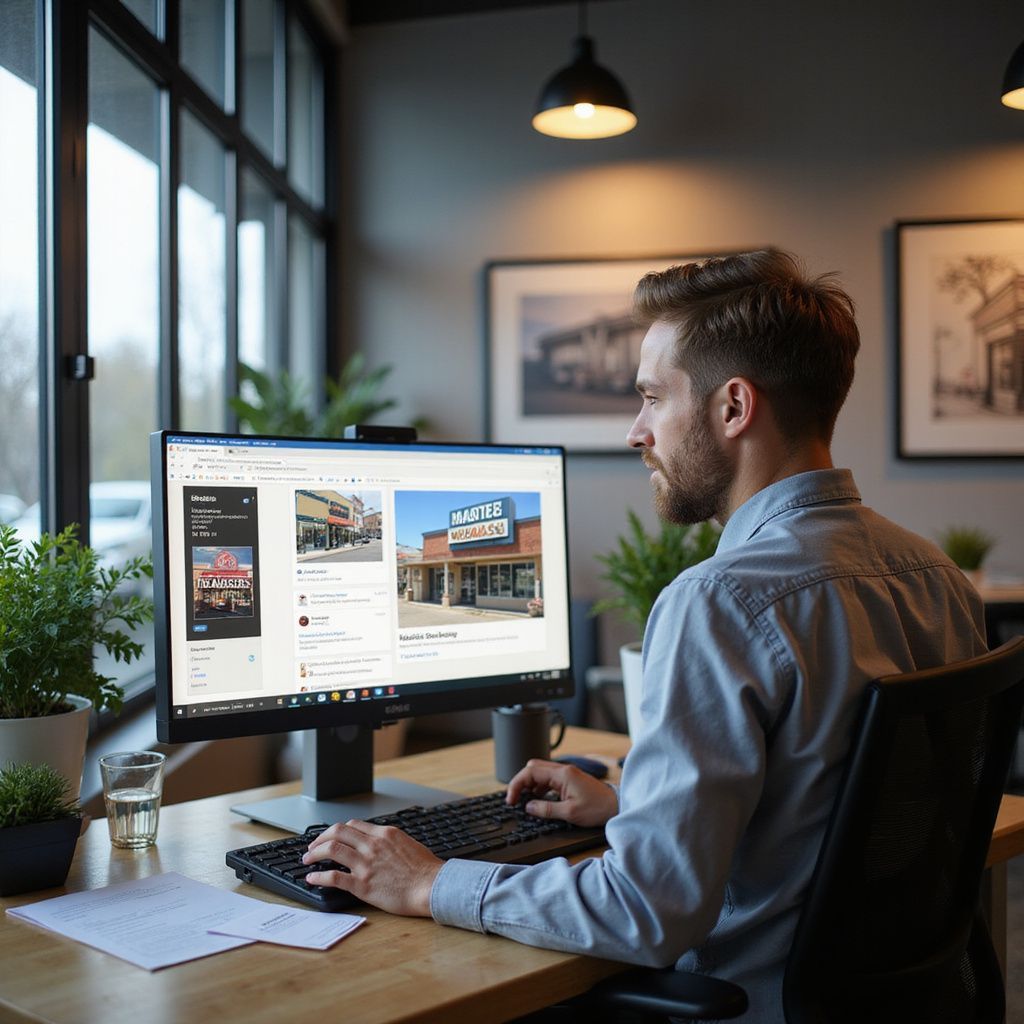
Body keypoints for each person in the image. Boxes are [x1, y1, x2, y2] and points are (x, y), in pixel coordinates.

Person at [302, 249, 987, 1021]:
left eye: (654, 397)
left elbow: (646, 912)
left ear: (733, 409)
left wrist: (430, 882)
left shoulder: (719, 603)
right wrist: (634, 804)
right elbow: (844, 800)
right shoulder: (937, 577)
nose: (636, 431)